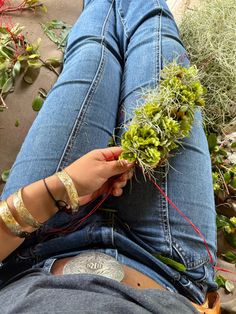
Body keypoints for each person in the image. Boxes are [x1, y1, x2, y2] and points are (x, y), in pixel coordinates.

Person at [0, 0, 219, 313]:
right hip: (170, 269)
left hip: (29, 243)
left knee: (92, 52)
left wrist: (60, 188)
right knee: (159, 38)